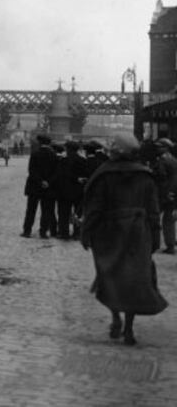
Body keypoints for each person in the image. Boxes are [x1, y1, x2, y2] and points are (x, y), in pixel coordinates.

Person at [81, 133, 167, 346]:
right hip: (138, 234)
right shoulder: (145, 176)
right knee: (135, 279)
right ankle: (129, 328)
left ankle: (115, 318)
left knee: (109, 275)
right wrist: (155, 237)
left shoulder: (104, 175)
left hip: (109, 233)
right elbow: (153, 210)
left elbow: (95, 208)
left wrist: (86, 232)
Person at [22, 134, 58, 238]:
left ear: (40, 142)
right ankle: (43, 232)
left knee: (31, 210)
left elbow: (31, 170)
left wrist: (40, 181)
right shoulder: (54, 155)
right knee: (46, 210)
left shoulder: (35, 154)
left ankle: (27, 231)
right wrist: (48, 182)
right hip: (48, 187)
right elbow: (56, 172)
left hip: (34, 186)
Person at [54, 140, 88, 240]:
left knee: (63, 213)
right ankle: (77, 233)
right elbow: (85, 175)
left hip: (64, 191)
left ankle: (64, 233)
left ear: (68, 149)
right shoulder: (82, 160)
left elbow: (60, 175)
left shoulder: (63, 161)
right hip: (78, 191)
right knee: (78, 212)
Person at [153, 137, 177, 255]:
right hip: (171, 193)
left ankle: (155, 243)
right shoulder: (173, 159)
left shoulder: (163, 161)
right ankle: (170, 244)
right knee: (169, 220)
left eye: (159, 147)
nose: (157, 149)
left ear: (165, 148)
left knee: (155, 217)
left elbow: (161, 178)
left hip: (164, 194)